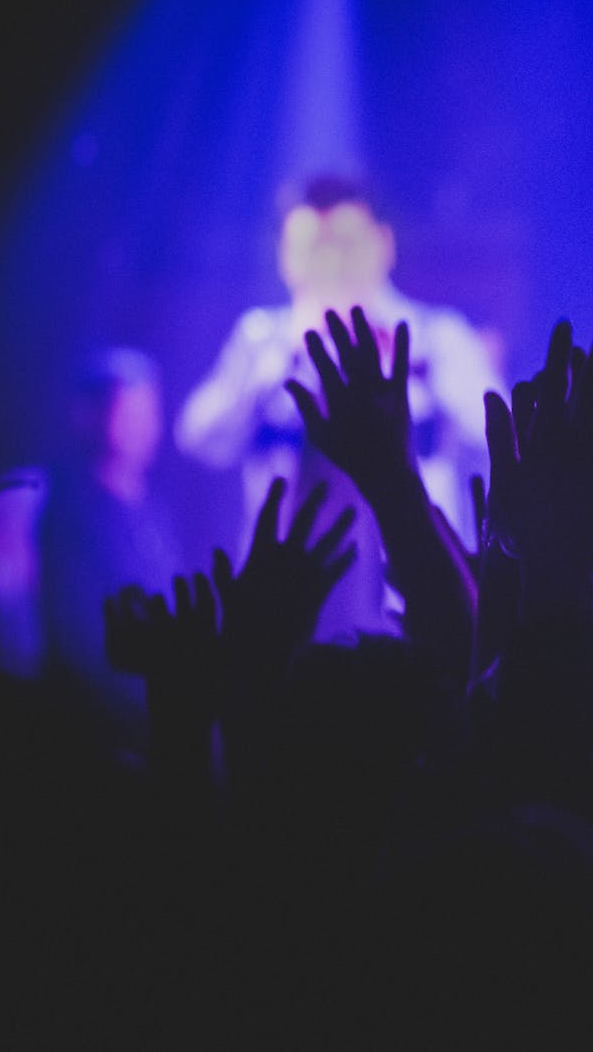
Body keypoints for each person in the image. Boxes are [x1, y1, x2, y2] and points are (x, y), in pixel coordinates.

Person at [175, 176, 499, 637]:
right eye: (312, 245)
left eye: (345, 243)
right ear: (286, 257)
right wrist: (279, 359)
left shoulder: (436, 334)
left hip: (411, 598)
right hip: (289, 605)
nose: (329, 261)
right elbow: (198, 440)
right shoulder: (261, 338)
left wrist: (421, 371)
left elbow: (497, 436)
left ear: (383, 244)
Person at [37, 347, 181, 759]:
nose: (145, 426)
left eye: (150, 412)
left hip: (151, 719)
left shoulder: (154, 511)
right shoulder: (70, 511)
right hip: (95, 734)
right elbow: (73, 635)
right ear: (90, 415)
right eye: (129, 412)